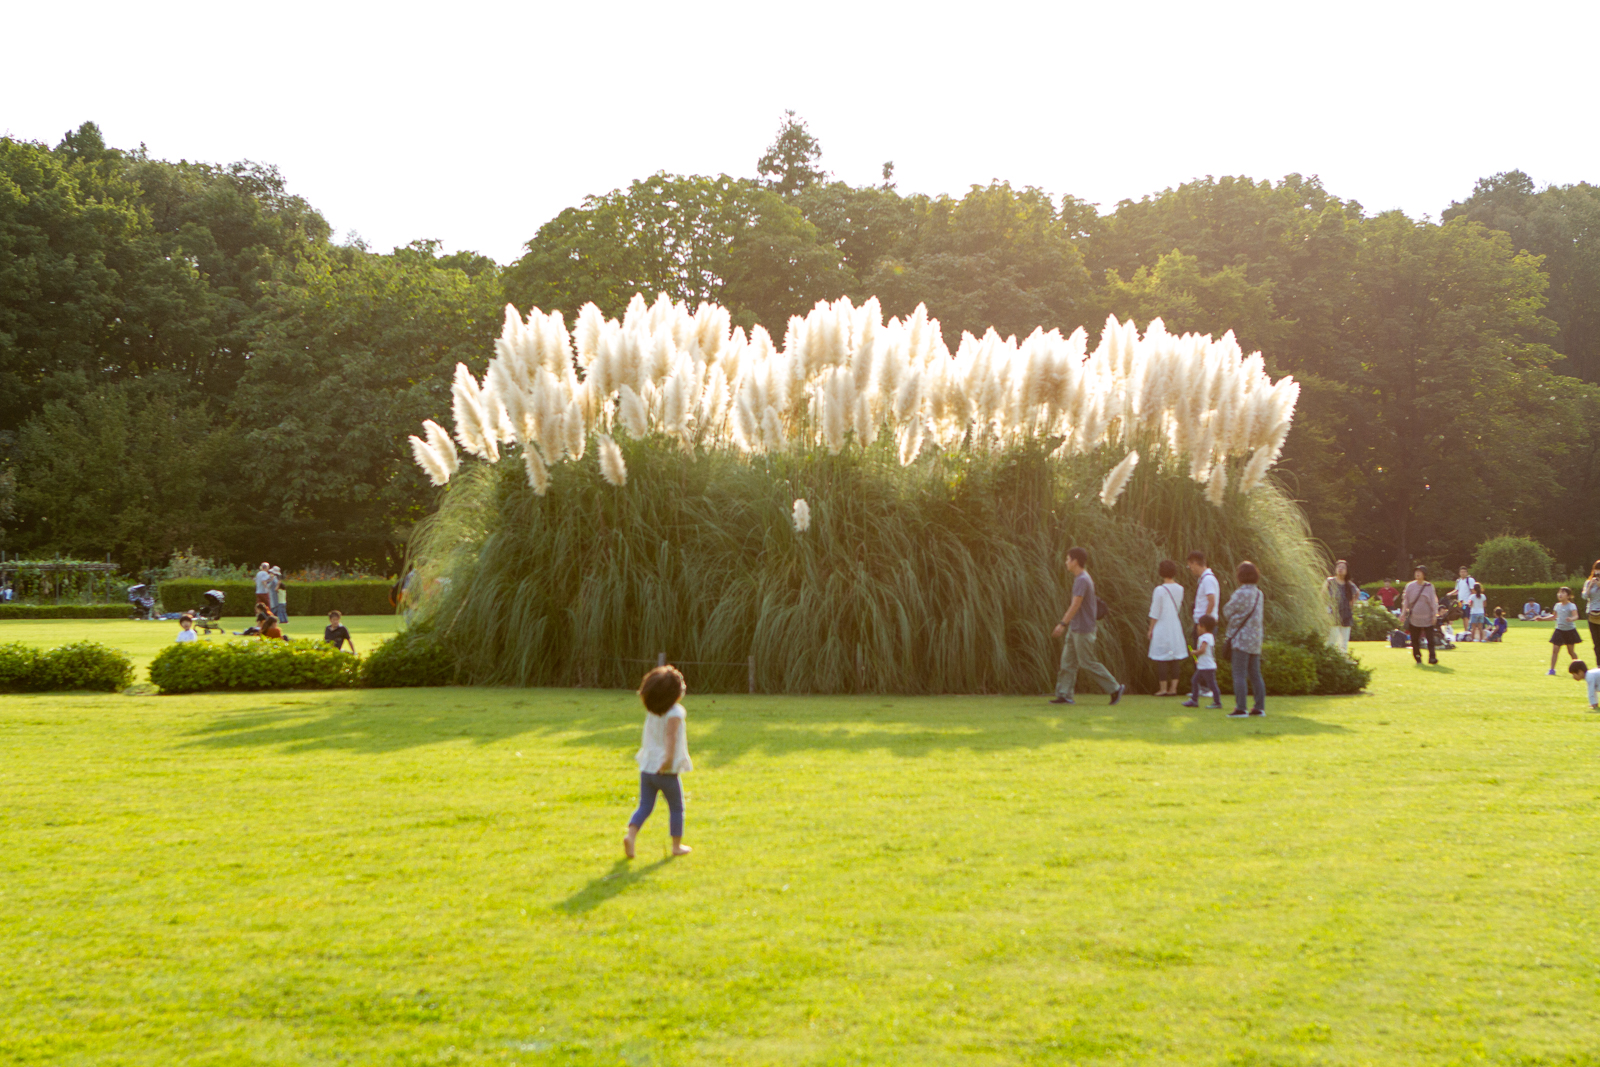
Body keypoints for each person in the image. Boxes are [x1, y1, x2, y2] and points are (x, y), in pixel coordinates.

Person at [624, 665, 693, 859]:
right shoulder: (675, 712)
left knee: (645, 806)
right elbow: (671, 736)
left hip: (647, 767)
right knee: (676, 807)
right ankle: (676, 846)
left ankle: (631, 836)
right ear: (674, 695)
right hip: (665, 770)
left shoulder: (653, 711)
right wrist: (668, 760)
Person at [1050, 547, 1125, 706]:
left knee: (1087, 662)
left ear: (1075, 561)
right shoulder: (1081, 578)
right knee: (1067, 662)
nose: (1066, 562)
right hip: (1075, 628)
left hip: (1083, 629)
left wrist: (1062, 624)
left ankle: (1115, 688)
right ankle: (1064, 695)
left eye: (1068, 559)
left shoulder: (1082, 579)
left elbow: (1075, 604)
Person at [1222, 561, 1267, 718]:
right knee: (1255, 674)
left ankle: (1241, 708)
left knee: (1239, 673)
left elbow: (1227, 611)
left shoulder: (1240, 593)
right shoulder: (1259, 594)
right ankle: (1259, 707)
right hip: (1255, 640)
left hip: (1240, 639)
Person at [1146, 560, 1187, 695]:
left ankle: (1163, 689)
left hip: (1162, 626)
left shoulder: (1159, 590)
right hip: (1175, 625)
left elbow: (1155, 612)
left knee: (1162, 658)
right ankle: (1173, 688)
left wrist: (1151, 629)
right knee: (1174, 658)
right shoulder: (1180, 589)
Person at [1181, 615, 1222, 709]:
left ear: (1203, 626)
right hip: (1204, 665)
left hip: (1207, 666)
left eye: (1199, 625)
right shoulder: (1210, 636)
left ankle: (1217, 702)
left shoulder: (1205, 637)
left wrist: (1194, 652)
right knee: (1195, 681)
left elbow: (1202, 650)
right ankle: (1194, 700)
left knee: (1211, 684)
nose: (1197, 628)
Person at [1402, 565, 1440, 665]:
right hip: (1414, 618)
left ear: (1424, 574)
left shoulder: (1429, 586)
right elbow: (1405, 601)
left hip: (1428, 617)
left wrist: (1434, 614)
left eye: (1420, 572)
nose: (1417, 574)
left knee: (1430, 639)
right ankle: (1417, 657)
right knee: (1414, 639)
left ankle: (1432, 657)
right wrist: (1403, 613)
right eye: (1416, 572)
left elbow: (1433, 602)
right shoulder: (1410, 586)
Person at [1548, 587, 1582, 675]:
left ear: (1568, 596)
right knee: (1555, 650)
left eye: (1563, 593)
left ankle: (1579, 669)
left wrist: (1571, 619)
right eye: (1559, 592)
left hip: (1570, 631)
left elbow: (1576, 616)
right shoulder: (1557, 605)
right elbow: (1553, 617)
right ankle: (1552, 670)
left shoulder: (1571, 605)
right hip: (1559, 630)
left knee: (1570, 652)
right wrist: (1541, 618)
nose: (1560, 594)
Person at [1188, 551, 1219, 644]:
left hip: (1205, 626)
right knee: (1196, 650)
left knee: (1202, 651)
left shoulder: (1208, 579)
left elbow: (1211, 601)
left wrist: (1204, 624)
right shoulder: (1203, 579)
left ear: (1195, 563)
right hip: (1201, 623)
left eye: (1190, 565)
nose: (1190, 569)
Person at [1326, 560, 1357, 651]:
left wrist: (1352, 603)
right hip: (1333, 614)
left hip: (1346, 615)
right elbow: (1322, 594)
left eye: (1343, 567)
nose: (1340, 569)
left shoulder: (1349, 584)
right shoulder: (1330, 581)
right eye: (1339, 567)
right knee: (1332, 639)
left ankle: (1343, 657)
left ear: (1347, 571)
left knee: (1343, 642)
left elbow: (1357, 592)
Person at [1583, 560, 1600, 650]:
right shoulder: (1588, 582)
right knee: (1596, 641)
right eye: (1597, 569)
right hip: (1591, 613)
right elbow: (1584, 596)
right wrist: (1590, 586)